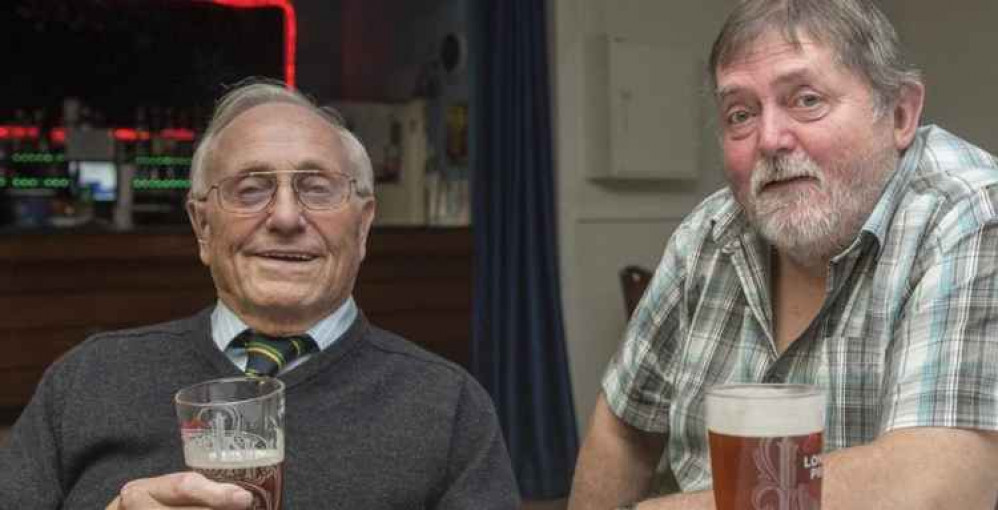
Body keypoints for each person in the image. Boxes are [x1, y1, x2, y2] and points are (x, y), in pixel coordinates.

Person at [0, 80, 519, 509]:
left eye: (317, 187)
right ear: (202, 226)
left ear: (362, 227)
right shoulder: (88, 380)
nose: (287, 218)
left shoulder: (450, 408)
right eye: (251, 189)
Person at [569, 0, 998, 509]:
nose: (770, 140)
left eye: (807, 100)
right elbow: (623, 425)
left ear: (900, 113)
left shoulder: (970, 214)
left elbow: (937, 487)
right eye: (741, 114)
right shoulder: (707, 235)